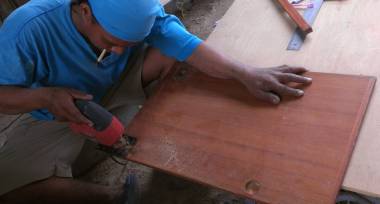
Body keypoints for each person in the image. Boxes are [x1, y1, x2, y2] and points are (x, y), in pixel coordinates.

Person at [0, 0, 312, 203]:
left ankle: (180, 136)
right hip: (55, 113)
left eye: (128, 44)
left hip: (113, 90)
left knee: (176, 57)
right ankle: (117, 196)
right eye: (110, 42)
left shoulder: (137, 11)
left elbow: (185, 45)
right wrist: (44, 96)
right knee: (11, 187)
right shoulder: (27, 29)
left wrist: (245, 73)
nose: (118, 52)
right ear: (84, 10)